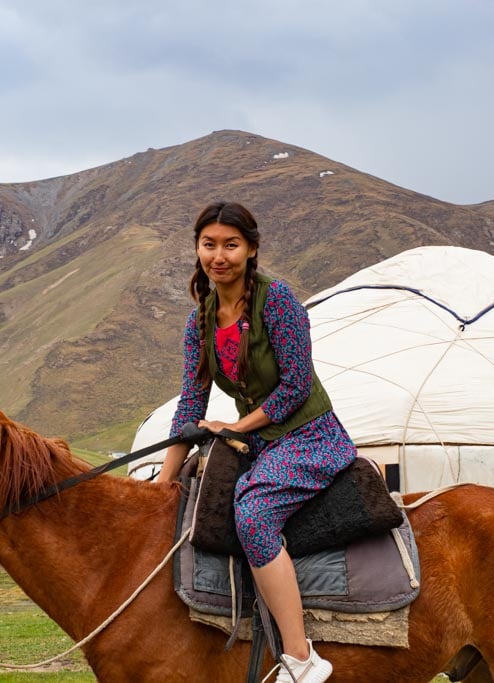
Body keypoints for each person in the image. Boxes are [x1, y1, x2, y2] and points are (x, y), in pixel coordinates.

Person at [157, 201, 356, 682]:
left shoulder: (279, 302)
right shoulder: (199, 322)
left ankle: (301, 658)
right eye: (209, 245)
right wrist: (162, 479)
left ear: (250, 249)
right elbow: (191, 405)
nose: (218, 255)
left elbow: (296, 386)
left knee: (253, 514)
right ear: (197, 249)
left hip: (310, 435)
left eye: (231, 244)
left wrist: (235, 428)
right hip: (262, 442)